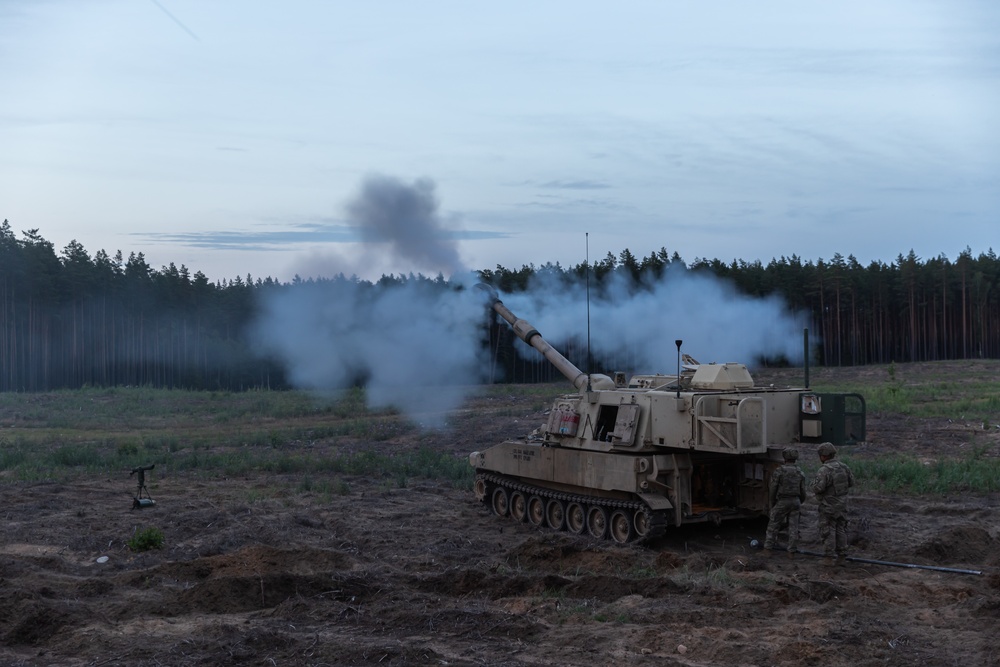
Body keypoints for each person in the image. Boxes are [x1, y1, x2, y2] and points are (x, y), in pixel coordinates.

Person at [811, 442, 855, 564]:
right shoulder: (844, 467)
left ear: (823, 456)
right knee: (841, 529)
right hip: (842, 505)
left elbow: (818, 488)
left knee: (828, 530)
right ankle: (841, 557)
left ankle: (828, 558)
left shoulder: (824, 470)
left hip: (829, 506)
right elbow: (851, 482)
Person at [764, 447, 806, 557]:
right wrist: (800, 501)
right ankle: (791, 552)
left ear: (784, 458)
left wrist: (772, 502)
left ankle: (767, 549)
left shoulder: (780, 471)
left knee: (773, 524)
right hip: (795, 501)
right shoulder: (799, 472)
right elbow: (803, 490)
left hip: (783, 501)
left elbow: (773, 487)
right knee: (794, 527)